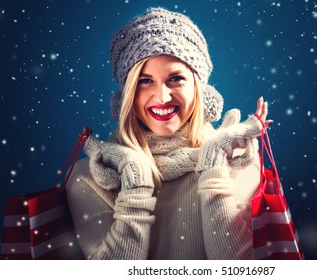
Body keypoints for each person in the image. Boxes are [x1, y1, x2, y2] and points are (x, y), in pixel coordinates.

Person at [66, 7, 273, 260]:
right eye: (145, 81)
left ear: (198, 88)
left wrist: (214, 165)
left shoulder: (238, 161)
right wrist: (135, 181)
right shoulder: (91, 177)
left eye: (175, 78)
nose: (162, 97)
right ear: (128, 93)